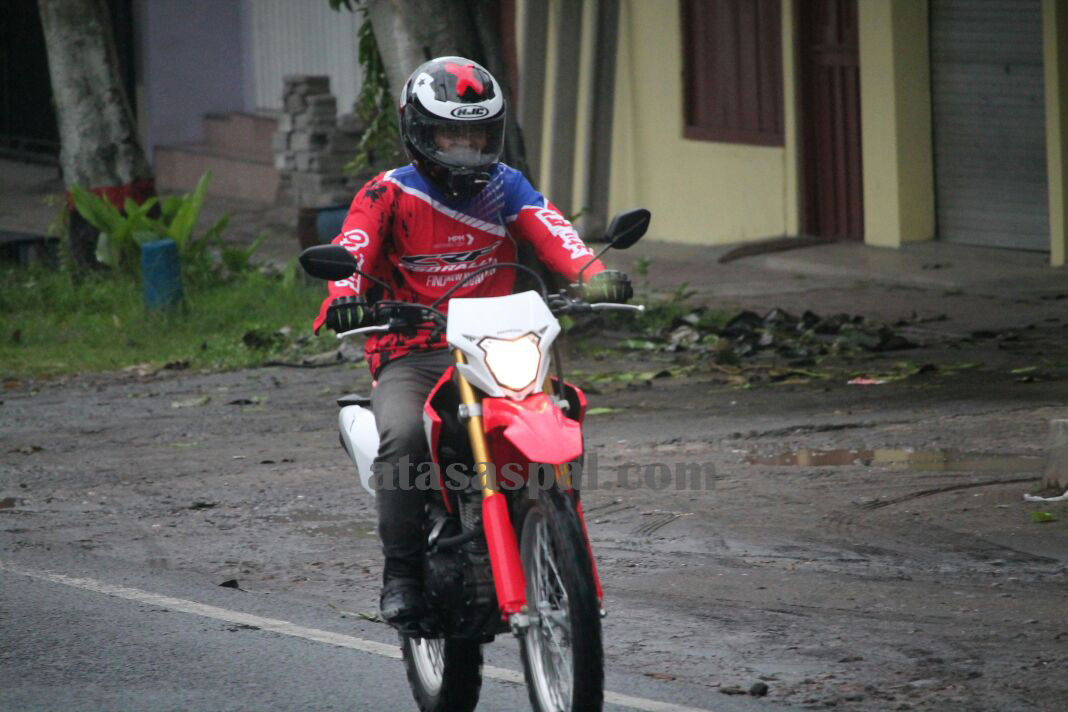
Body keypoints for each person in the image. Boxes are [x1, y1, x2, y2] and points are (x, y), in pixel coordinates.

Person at [312, 56, 632, 631]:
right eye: (450, 135)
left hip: (501, 342)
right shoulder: (386, 194)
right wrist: (344, 297)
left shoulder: (506, 186)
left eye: (477, 135)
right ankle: (401, 574)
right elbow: (352, 250)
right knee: (404, 437)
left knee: (563, 409)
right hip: (413, 350)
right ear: (419, 131)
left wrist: (593, 273)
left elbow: (552, 229)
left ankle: (551, 526)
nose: (465, 148)